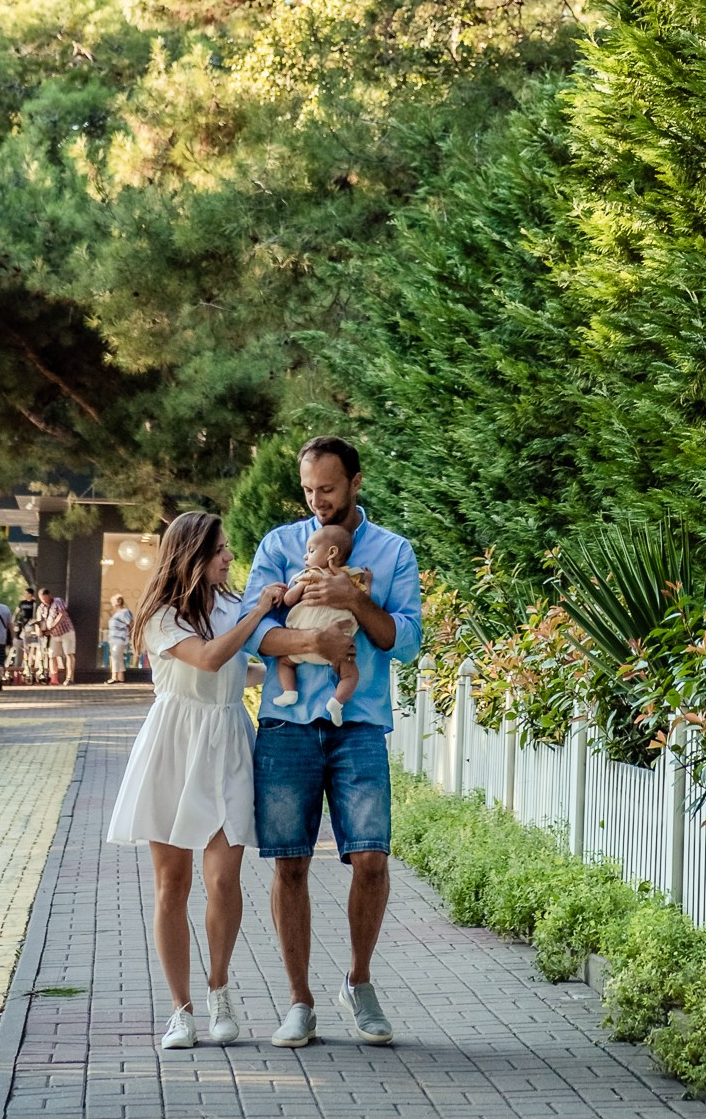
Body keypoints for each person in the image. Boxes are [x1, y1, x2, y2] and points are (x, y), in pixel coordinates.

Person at [242, 435, 422, 1050]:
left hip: (359, 723)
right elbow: (253, 633)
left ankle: (360, 982)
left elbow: (405, 641)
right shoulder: (277, 546)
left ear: (355, 483)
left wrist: (354, 599)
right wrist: (310, 646)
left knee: (371, 858)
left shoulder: (393, 552)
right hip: (287, 725)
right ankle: (299, 1002)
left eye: (329, 489)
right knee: (289, 863)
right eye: (309, 490)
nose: (318, 501)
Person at [107, 510, 305, 1052]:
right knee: (173, 884)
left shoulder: (231, 605)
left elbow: (244, 665)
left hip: (228, 742)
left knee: (223, 879)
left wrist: (304, 655)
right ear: (192, 554)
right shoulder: (161, 615)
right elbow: (213, 658)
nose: (229, 557)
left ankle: (219, 989)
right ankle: (181, 1009)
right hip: (174, 743)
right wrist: (260, 610)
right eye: (220, 548)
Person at [274, 524, 367, 725]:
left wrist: (291, 590)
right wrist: (368, 581)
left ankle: (290, 691)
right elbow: (365, 599)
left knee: (283, 661)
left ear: (331, 552)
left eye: (311, 551)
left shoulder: (309, 574)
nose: (305, 557)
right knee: (350, 675)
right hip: (339, 651)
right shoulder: (352, 578)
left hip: (301, 643)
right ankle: (337, 701)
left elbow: (289, 600)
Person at [37, 587, 76, 685]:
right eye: (42, 599)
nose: (45, 601)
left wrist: (52, 627)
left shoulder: (57, 601)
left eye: (45, 598)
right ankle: (54, 678)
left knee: (69, 653)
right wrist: (41, 631)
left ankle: (69, 678)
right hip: (54, 635)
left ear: (49, 595)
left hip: (66, 631)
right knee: (52, 655)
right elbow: (40, 621)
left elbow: (62, 614)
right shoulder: (41, 607)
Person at [107, 593, 133, 683]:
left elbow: (130, 623)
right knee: (118, 657)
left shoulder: (124, 612)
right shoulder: (118, 613)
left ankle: (114, 677)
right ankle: (121, 677)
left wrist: (130, 635)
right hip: (114, 638)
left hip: (119, 638)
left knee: (114, 656)